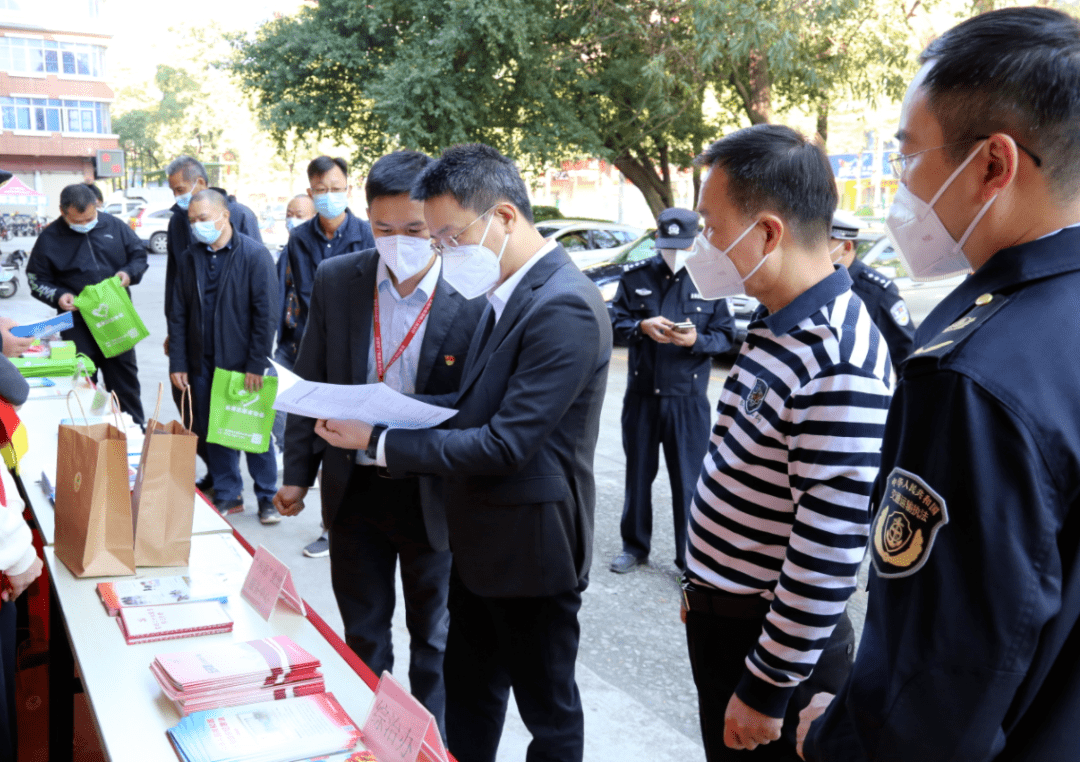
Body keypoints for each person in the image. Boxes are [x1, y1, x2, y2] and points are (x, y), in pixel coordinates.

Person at [801, 8, 1080, 761]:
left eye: (907, 154)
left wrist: (833, 738)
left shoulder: (978, 374)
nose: (900, 183)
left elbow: (939, 681)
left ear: (994, 164)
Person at [313, 143, 612, 762]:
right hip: (478, 540)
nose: (442, 253)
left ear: (503, 218)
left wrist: (381, 439)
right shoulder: (510, 292)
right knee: (470, 698)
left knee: (547, 714)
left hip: (533, 550)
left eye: (449, 237)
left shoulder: (563, 305)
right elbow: (470, 402)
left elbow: (505, 441)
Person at [679, 124, 892, 761]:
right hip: (732, 619)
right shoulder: (778, 321)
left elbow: (825, 548)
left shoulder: (837, 359)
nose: (703, 246)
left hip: (774, 651)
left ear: (768, 232)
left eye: (712, 228)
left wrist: (767, 687)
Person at [274, 150, 484, 733]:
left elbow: (477, 404)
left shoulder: (471, 293)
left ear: (438, 223)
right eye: (385, 229)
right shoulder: (340, 279)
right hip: (355, 487)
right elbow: (308, 381)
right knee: (363, 634)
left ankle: (427, 738)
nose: (399, 243)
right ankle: (371, 735)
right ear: (367, 218)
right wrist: (296, 473)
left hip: (433, 490)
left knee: (434, 637)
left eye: (414, 229)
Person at [609, 207, 735, 575]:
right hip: (643, 395)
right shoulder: (636, 276)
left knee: (689, 482)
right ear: (657, 240)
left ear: (696, 242)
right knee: (637, 474)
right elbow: (615, 320)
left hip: (688, 399)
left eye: (682, 246)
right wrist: (641, 326)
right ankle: (634, 546)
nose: (674, 254)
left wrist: (697, 340)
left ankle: (689, 556)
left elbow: (726, 335)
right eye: (667, 246)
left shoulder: (710, 282)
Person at [166, 190, 277, 520]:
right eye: (193, 220)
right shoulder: (190, 258)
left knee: (253, 431)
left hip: (244, 363)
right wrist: (179, 362)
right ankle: (229, 494)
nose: (198, 226)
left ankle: (267, 496)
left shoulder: (255, 256)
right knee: (215, 430)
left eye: (203, 219)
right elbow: (179, 313)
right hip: (202, 361)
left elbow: (266, 314)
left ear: (224, 216)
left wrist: (257, 362)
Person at [26, 183, 148, 425]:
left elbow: (138, 255)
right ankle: (89, 435)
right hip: (76, 323)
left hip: (115, 318)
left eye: (90, 218)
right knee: (82, 382)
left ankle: (134, 433)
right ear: (62, 212)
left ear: (97, 206)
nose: (84, 225)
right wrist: (59, 295)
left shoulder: (114, 225)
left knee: (124, 383)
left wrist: (129, 273)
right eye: (77, 221)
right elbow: (36, 279)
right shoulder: (49, 238)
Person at [278, 156, 376, 369]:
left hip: (354, 345)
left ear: (348, 191)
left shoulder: (368, 235)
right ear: (311, 193)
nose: (329, 196)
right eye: (322, 190)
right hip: (309, 342)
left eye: (336, 189)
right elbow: (303, 294)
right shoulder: (298, 238)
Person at [829, 210, 916, 362]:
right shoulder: (819, 283)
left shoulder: (878, 293)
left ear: (846, 247)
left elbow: (906, 353)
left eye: (823, 244)